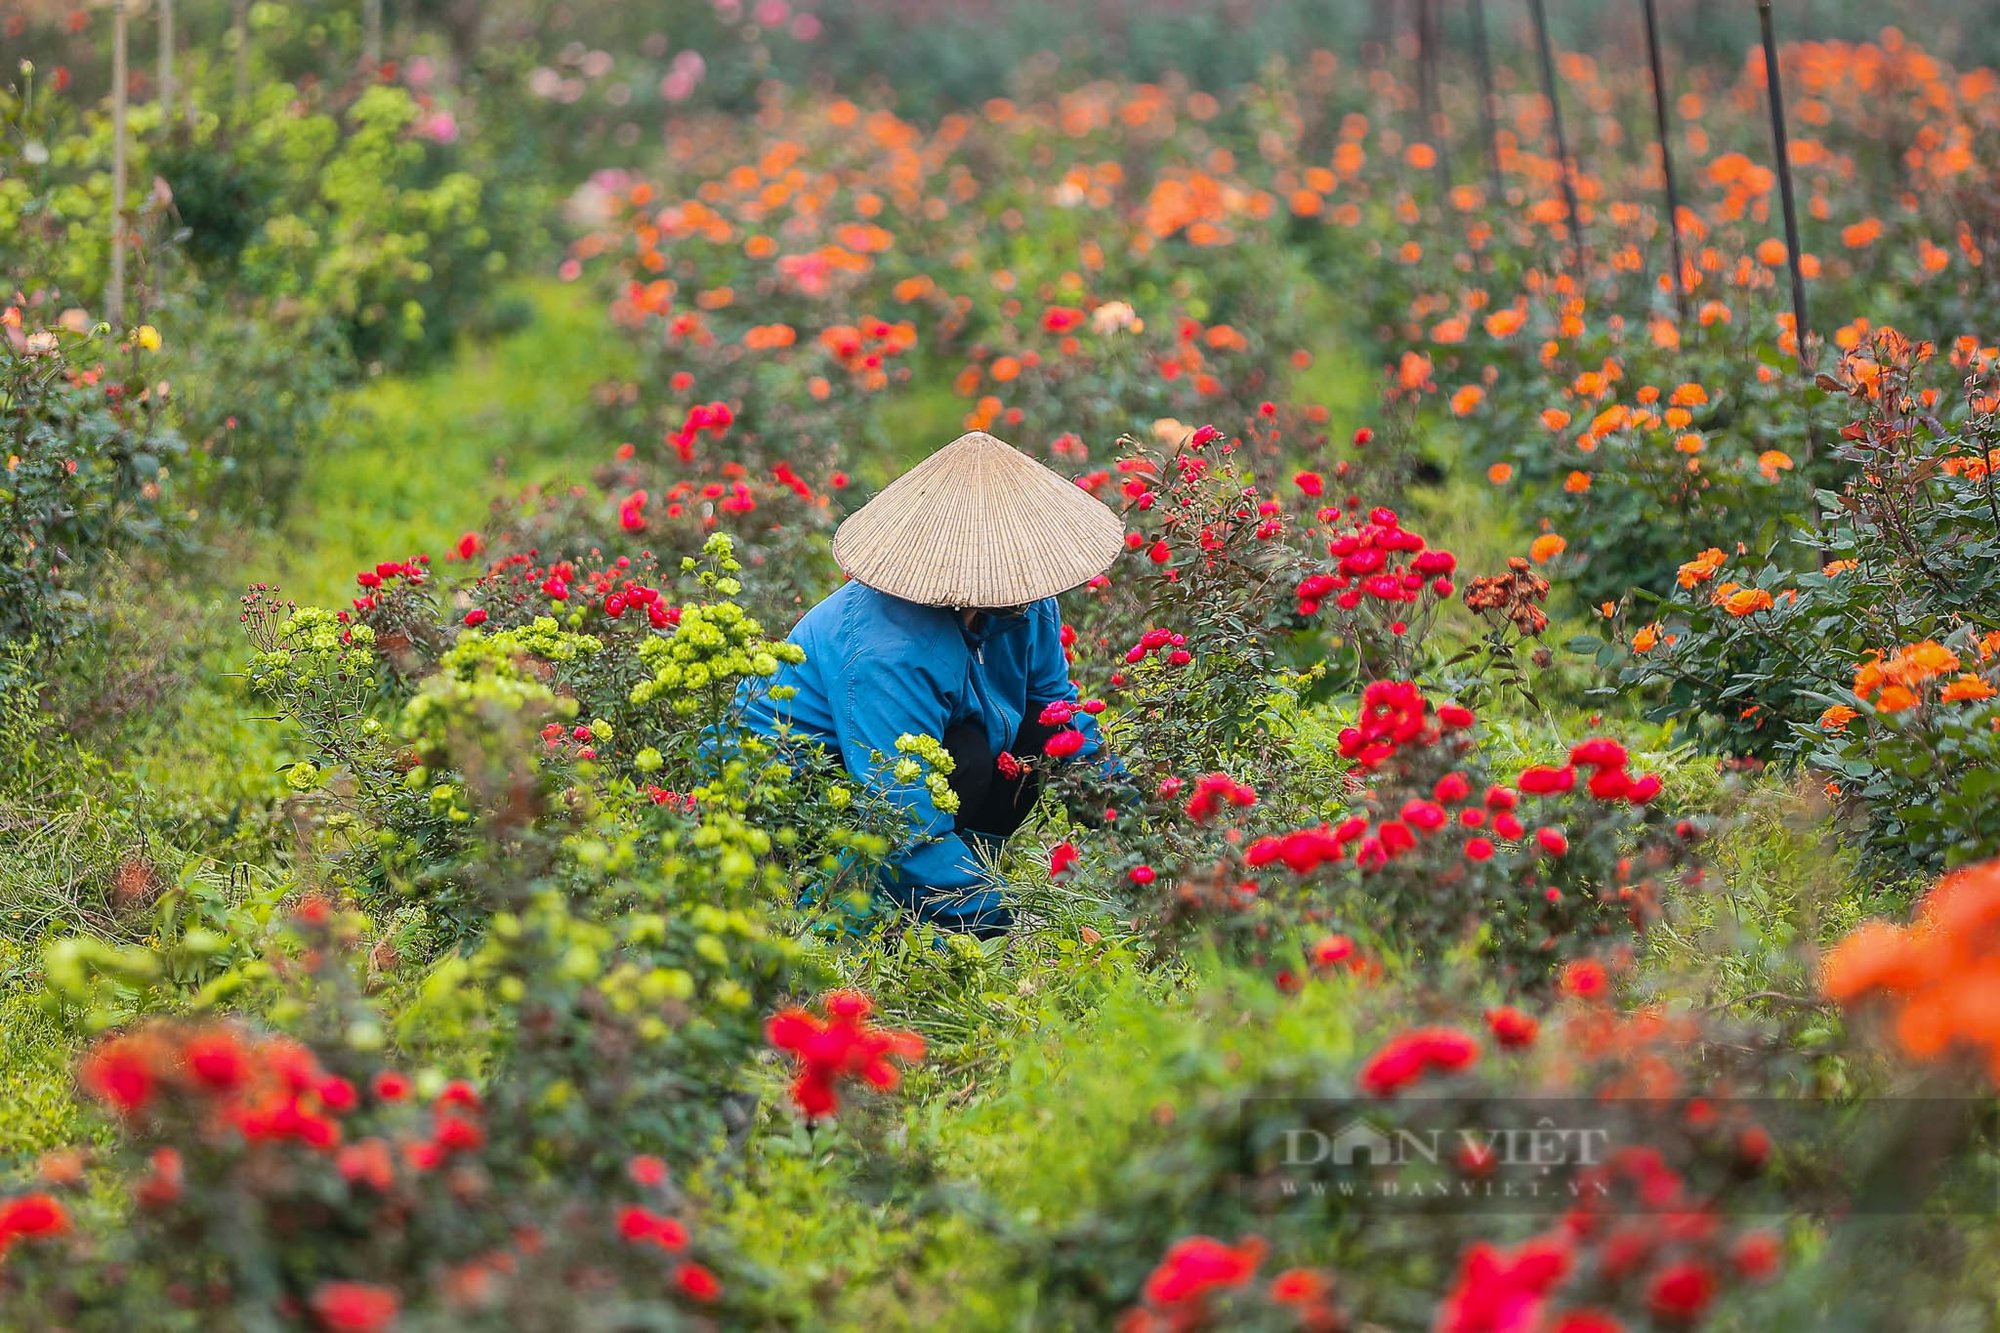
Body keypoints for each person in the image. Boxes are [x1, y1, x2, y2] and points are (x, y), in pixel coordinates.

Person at [738, 430, 1125, 937]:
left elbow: (1055, 710)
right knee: (963, 756)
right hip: (813, 799)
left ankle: (958, 874)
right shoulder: (888, 652)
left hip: (916, 768)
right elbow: (899, 812)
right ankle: (893, 902)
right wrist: (1006, 926)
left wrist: (1134, 817)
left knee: (1039, 732)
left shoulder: (1025, 602)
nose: (1031, 590)